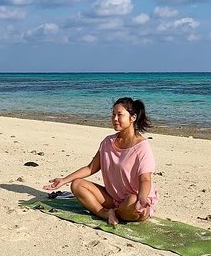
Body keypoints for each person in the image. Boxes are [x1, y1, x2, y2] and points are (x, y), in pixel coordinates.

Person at [44, 97, 159, 226]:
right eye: (113, 114)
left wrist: (142, 199)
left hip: (135, 202)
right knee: (77, 185)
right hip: (113, 199)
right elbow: (90, 168)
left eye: (119, 115)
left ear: (133, 117)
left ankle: (118, 212)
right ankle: (106, 213)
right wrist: (64, 180)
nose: (115, 119)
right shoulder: (107, 142)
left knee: (132, 200)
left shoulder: (142, 147)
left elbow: (145, 179)